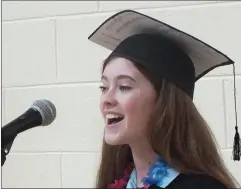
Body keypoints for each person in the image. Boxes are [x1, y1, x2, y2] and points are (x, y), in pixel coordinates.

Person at [88, 10, 240, 189]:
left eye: (124, 87)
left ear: (164, 102)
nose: (107, 100)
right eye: (104, 88)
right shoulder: (120, 181)